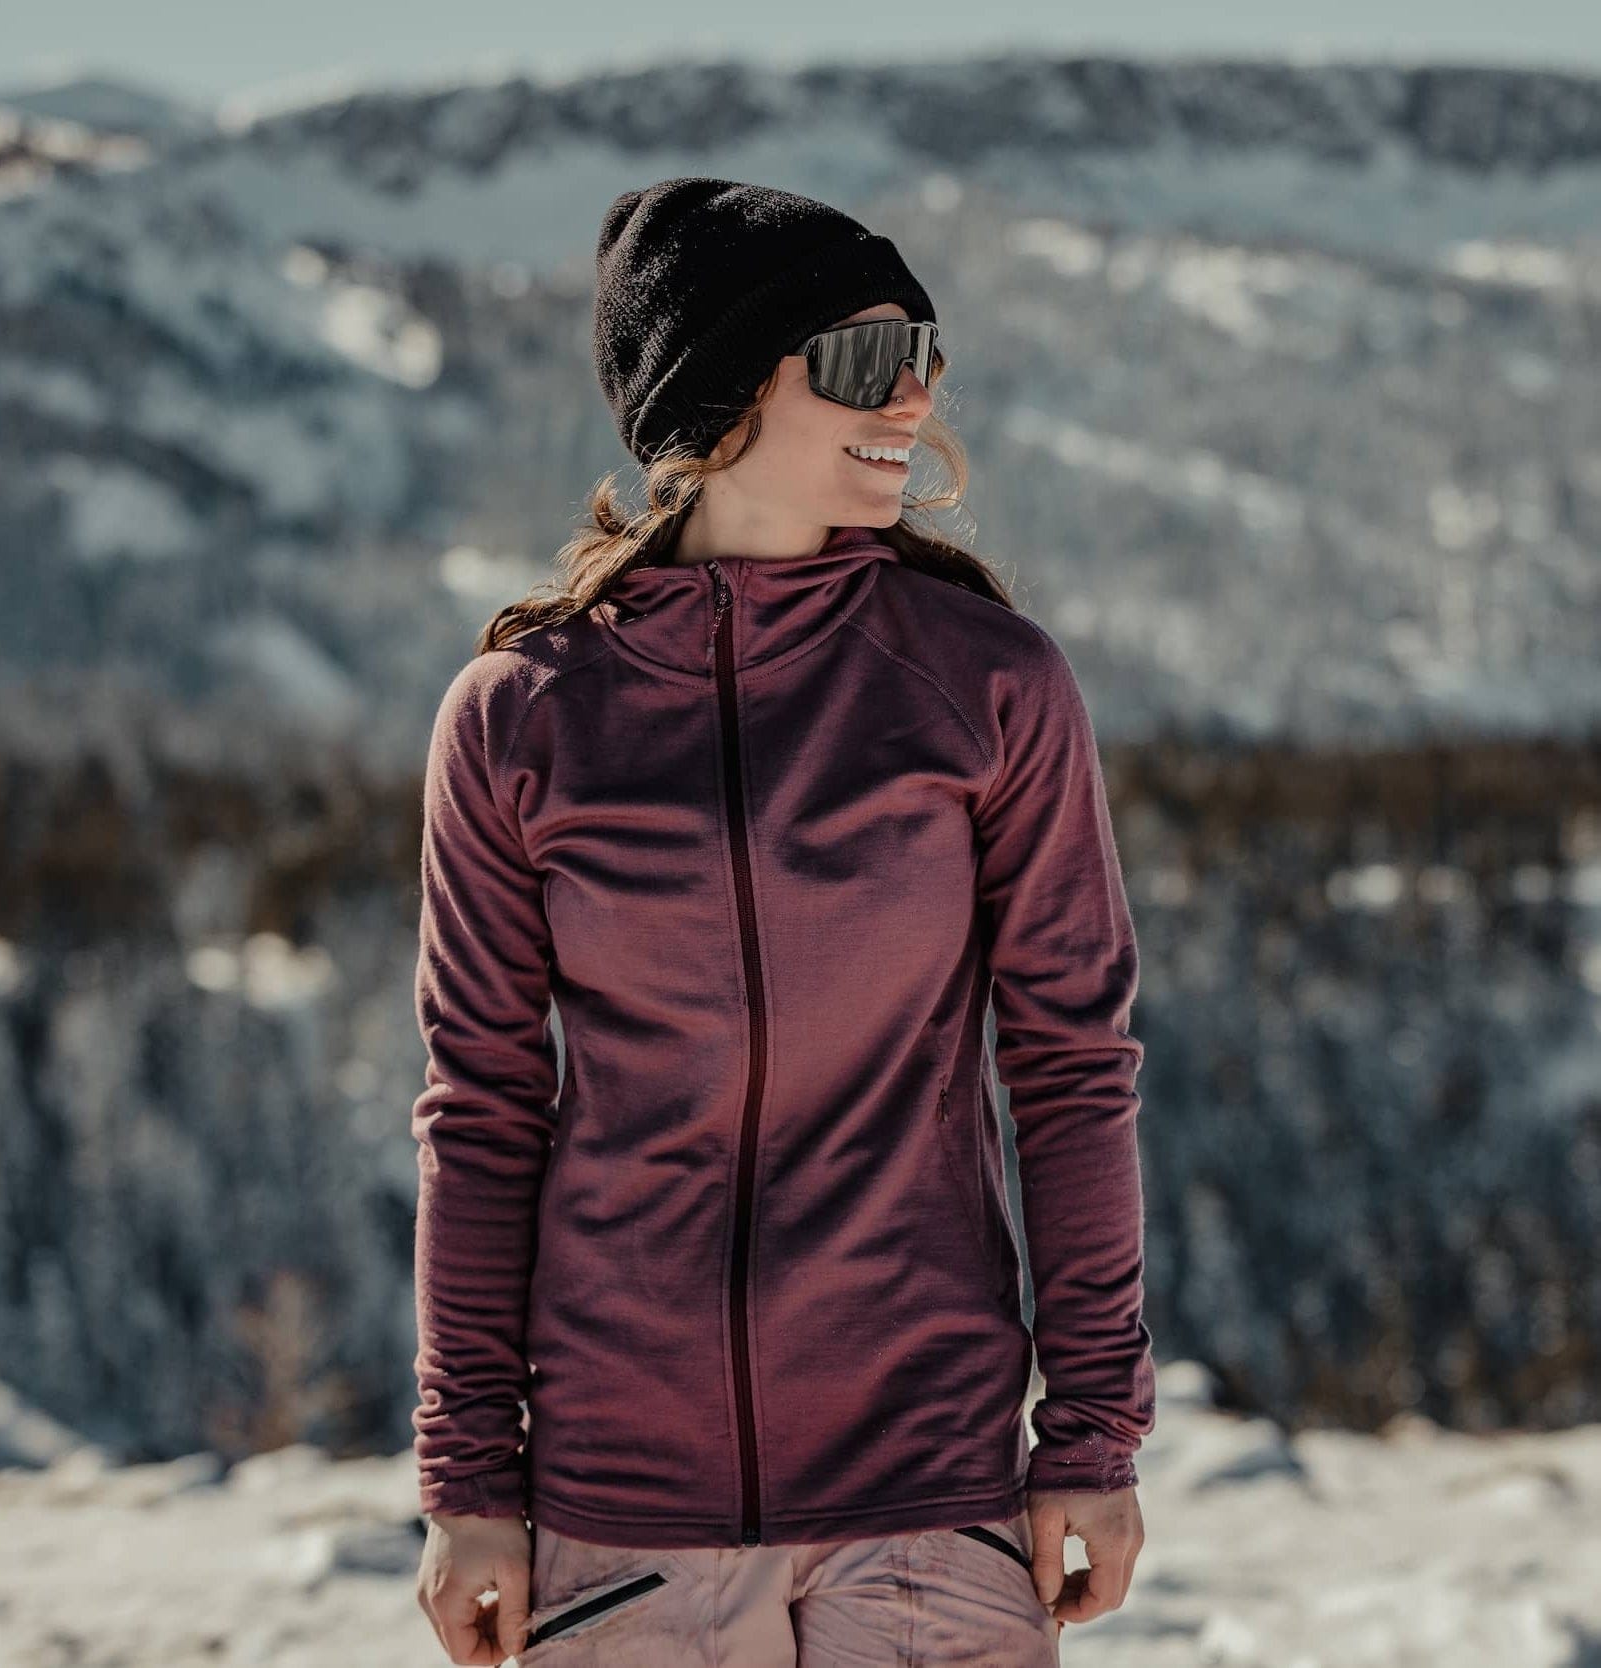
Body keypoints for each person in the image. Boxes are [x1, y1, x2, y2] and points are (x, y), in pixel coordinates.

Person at [410, 177, 1156, 1666]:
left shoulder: (987, 682)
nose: (919, 399)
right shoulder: (523, 722)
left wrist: (1092, 1436)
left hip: (929, 1511)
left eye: (926, 356)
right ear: (726, 388)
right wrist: (468, 1481)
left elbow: (1072, 1068)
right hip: (626, 1524)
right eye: (872, 362)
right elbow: (484, 1112)